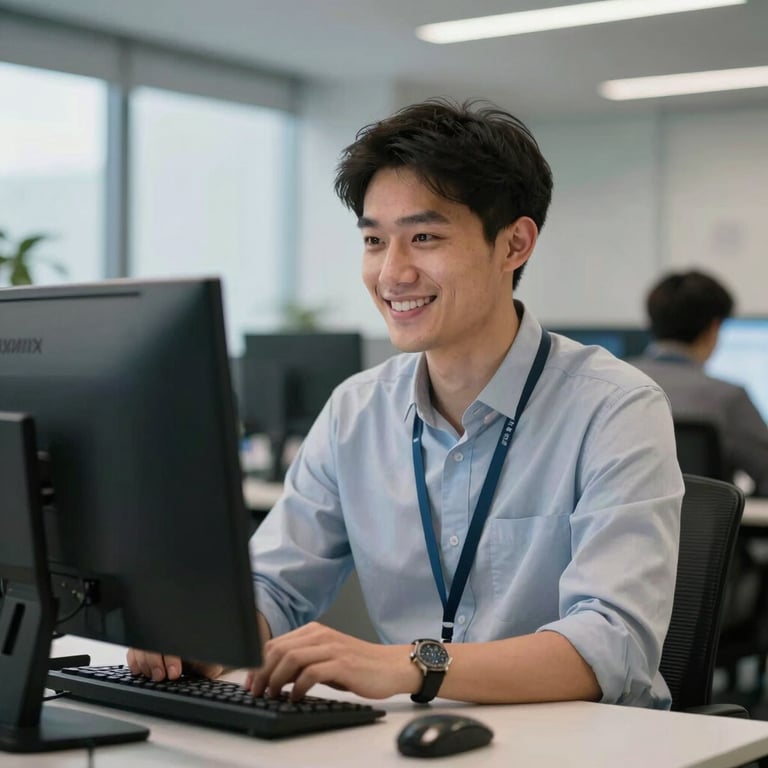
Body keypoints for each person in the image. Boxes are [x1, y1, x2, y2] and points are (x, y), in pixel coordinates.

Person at [128, 99, 683, 708]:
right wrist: (211, 637)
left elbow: (611, 643)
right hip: (413, 739)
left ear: (514, 244)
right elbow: (274, 584)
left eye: (424, 237)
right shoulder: (356, 412)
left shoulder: (614, 407)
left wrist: (415, 663)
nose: (392, 273)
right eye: (373, 241)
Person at [631, 270, 768, 496]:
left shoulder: (611, 385)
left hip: (622, 528)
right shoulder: (728, 398)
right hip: (705, 530)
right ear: (713, 328)